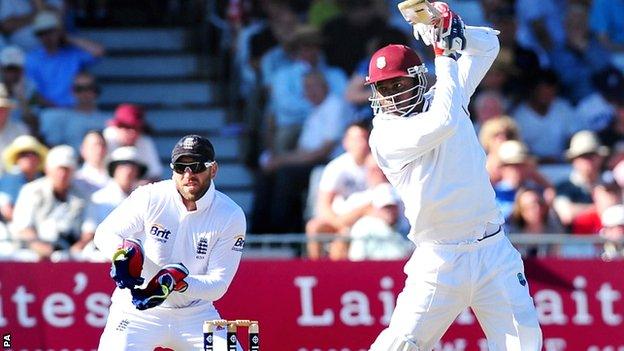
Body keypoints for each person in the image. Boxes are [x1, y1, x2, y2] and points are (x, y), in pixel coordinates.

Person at [365, 3, 542, 349]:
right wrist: (444, 52)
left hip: (493, 251)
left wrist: (447, 24)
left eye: (397, 84)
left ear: (418, 79)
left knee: (525, 344)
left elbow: (488, 46)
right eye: (383, 89)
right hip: (439, 259)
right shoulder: (383, 135)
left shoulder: (447, 91)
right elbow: (443, 121)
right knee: (401, 344)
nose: (390, 96)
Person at [94, 135, 246, 350]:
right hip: (137, 309)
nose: (188, 174)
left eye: (197, 166)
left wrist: (178, 282)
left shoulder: (230, 214)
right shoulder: (150, 196)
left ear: (213, 170)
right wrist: (122, 254)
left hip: (196, 314)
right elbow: (104, 233)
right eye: (180, 166)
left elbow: (218, 285)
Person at [10, 145, 87, 261]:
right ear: (48, 169)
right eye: (59, 169)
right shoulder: (31, 191)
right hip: (34, 251)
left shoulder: (81, 195)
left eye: (67, 170)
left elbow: (89, 229)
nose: (62, 174)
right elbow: (23, 228)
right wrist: (45, 249)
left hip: (70, 251)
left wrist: (74, 251)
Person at [78, 146, 146, 261]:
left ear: (137, 172)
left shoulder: (145, 198)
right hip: (102, 256)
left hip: (138, 254)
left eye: (132, 167)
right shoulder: (98, 198)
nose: (128, 171)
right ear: (114, 170)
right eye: (123, 166)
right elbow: (89, 233)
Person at [25, 11, 105, 107]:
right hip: (47, 110)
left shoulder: (72, 53)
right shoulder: (32, 59)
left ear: (59, 32)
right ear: (38, 36)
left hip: (76, 109)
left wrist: (68, 38)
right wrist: (51, 106)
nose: (47, 36)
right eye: (42, 33)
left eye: (51, 31)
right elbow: (30, 90)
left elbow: (99, 51)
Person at [39, 72, 110, 150]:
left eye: (89, 88)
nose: (84, 93)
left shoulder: (108, 120)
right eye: (79, 89)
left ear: (97, 90)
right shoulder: (60, 118)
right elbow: (53, 145)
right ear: (72, 91)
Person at [103, 104, 162, 181]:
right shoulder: (105, 139)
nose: (132, 132)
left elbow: (155, 175)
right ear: (116, 127)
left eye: (136, 128)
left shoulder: (144, 140)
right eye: (126, 127)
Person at [0, 135, 47, 222]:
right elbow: (6, 211)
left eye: (33, 154)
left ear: (39, 158)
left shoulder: (44, 181)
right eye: (23, 154)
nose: (29, 158)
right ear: (16, 159)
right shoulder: (8, 180)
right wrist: (25, 226)